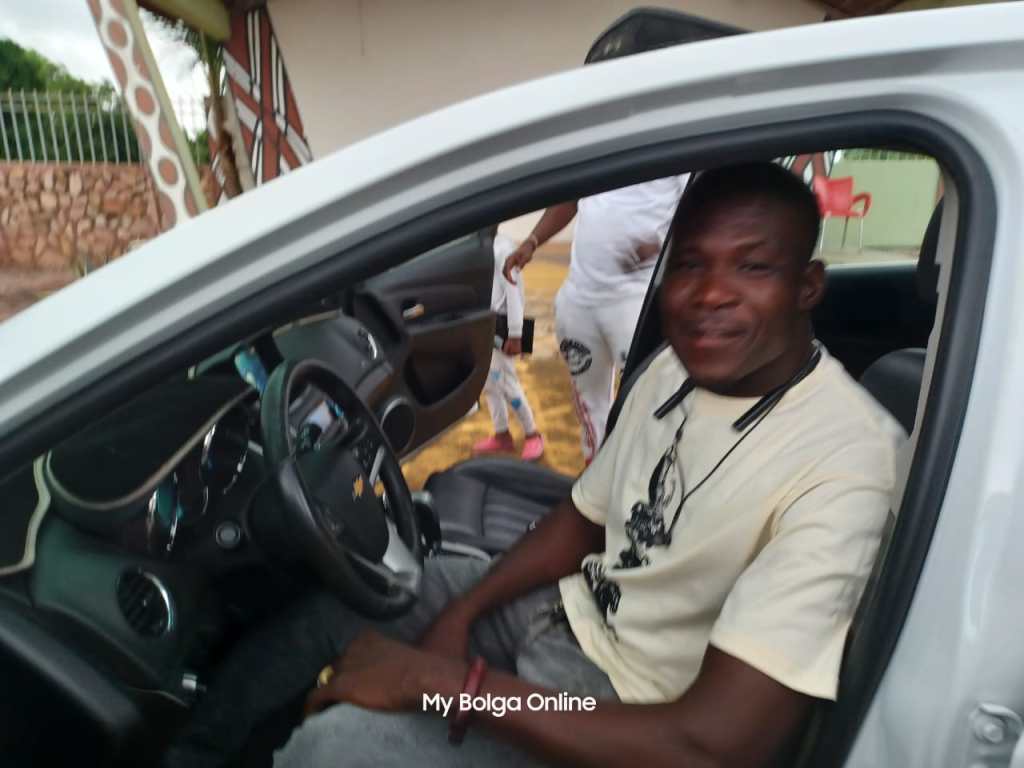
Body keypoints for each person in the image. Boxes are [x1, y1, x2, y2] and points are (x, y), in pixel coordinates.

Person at [163, 163, 905, 768]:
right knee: (351, 607)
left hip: (619, 709)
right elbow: (583, 518)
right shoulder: (676, 369)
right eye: (688, 265)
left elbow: (711, 743)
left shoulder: (848, 463)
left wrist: (441, 683)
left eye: (751, 266)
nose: (709, 294)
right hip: (564, 610)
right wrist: (463, 612)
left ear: (808, 286)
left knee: (338, 751)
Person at [502, 174, 689, 464]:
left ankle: (642, 489)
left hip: (635, 301)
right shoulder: (599, 140)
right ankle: (595, 483)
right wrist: (532, 241)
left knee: (646, 406)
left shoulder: (667, 139)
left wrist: (662, 244)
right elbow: (573, 196)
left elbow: (699, 207)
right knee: (590, 409)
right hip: (579, 300)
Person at [473, 230, 545, 461]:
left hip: (504, 330)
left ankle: (533, 434)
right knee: (490, 384)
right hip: (490, 326)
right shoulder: (485, 247)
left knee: (507, 383)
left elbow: (513, 291)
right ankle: (502, 435)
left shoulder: (502, 249)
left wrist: (515, 334)